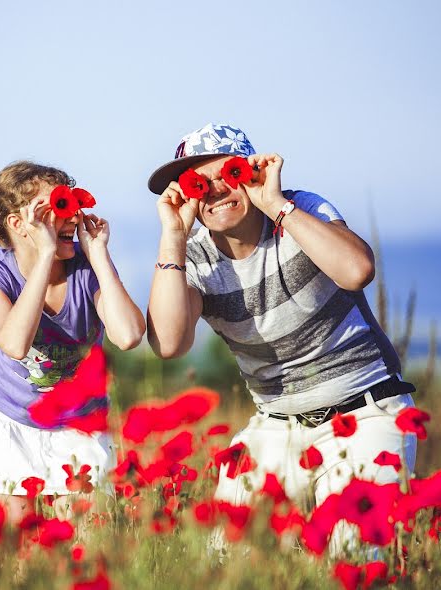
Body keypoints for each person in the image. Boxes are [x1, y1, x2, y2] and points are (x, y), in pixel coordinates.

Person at [146, 123, 417, 513]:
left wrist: (274, 204)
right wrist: (173, 234)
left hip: (365, 412)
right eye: (198, 184)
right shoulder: (192, 256)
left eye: (228, 174)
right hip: (276, 425)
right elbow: (169, 343)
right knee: (228, 558)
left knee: (353, 554)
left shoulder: (299, 209)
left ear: (254, 171)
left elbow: (357, 270)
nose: (216, 191)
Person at [0, 160, 145, 515]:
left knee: (86, 541)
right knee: (13, 543)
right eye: (56, 208)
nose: (71, 217)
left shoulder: (86, 270)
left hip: (77, 423)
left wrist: (99, 254)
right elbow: (14, 344)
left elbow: (129, 335)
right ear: (18, 223)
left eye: (71, 205)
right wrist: (44, 257)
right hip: (5, 416)